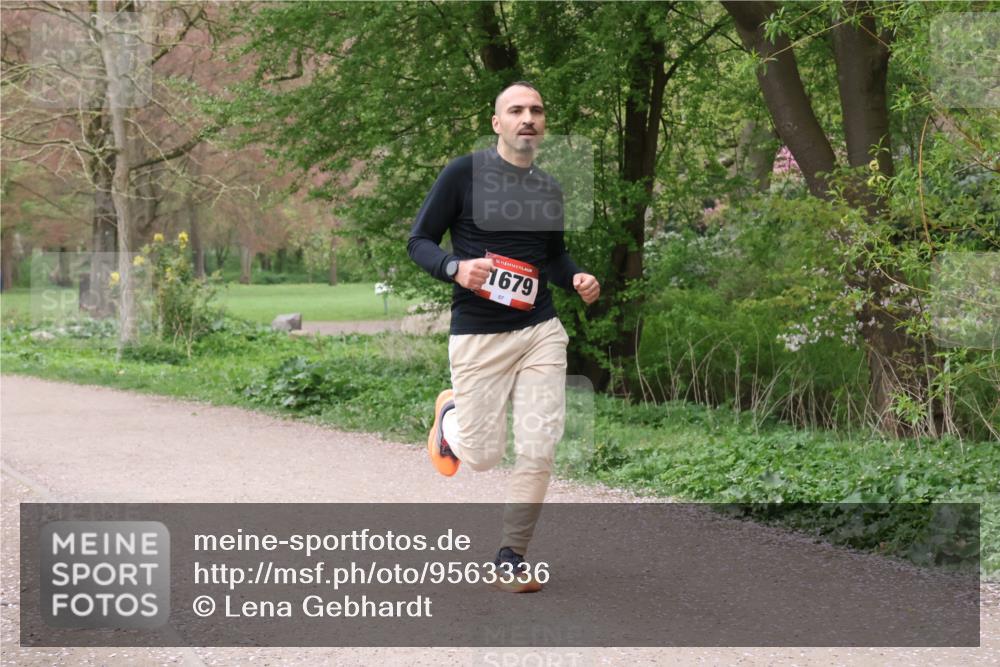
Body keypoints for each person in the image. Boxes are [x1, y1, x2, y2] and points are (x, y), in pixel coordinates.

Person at [407, 81, 599, 593]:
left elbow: (552, 258)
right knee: (482, 457)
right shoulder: (464, 174)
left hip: (539, 329)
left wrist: (577, 277)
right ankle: (450, 422)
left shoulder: (548, 188)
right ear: (497, 123)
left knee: (539, 445)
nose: (527, 118)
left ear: (544, 124)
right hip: (479, 335)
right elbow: (418, 241)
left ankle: (510, 557)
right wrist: (453, 267)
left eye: (536, 110)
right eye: (515, 110)